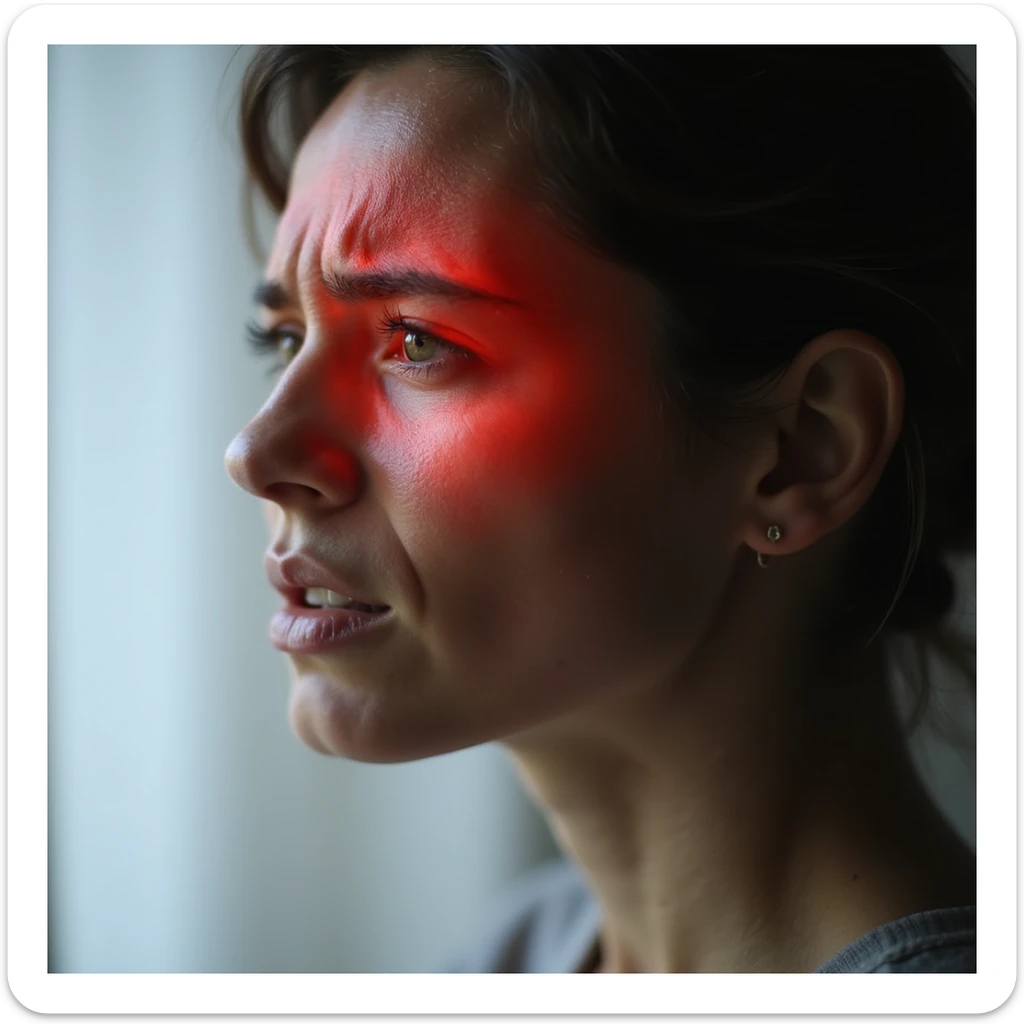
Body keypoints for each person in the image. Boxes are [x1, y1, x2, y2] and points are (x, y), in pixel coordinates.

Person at [224, 45, 977, 973]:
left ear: (804, 448)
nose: (256, 455)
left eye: (417, 340)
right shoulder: (507, 962)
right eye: (286, 339)